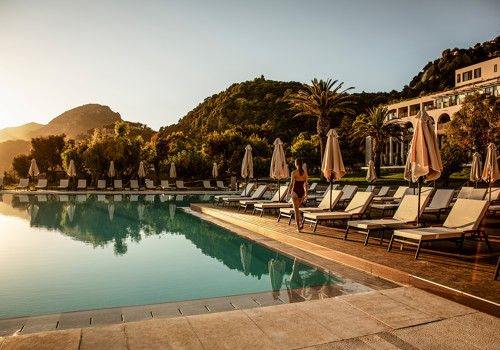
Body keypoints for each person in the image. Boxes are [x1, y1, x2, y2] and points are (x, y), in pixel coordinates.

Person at [286, 158, 308, 232]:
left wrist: (288, 193)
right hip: (302, 192)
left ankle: (298, 228)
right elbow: (306, 184)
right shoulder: (305, 173)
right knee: (297, 209)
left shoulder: (294, 173)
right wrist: (306, 194)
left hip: (295, 192)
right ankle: (301, 223)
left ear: (296, 164)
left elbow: (292, 184)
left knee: (296, 210)